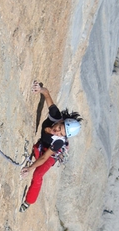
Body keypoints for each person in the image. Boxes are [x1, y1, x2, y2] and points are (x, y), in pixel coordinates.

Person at [20, 81, 82, 212]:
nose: (57, 132)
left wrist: (30, 168)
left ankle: (28, 201)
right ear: (61, 121)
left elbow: (44, 158)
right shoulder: (55, 116)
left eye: (61, 133)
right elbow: (47, 95)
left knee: (37, 174)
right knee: (36, 150)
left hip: (51, 156)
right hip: (43, 146)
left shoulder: (59, 141)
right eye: (59, 128)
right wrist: (40, 89)